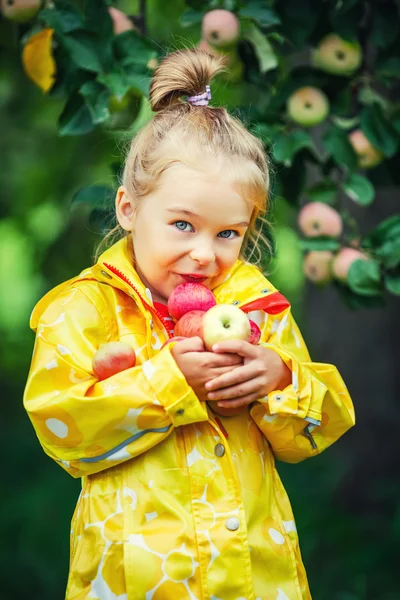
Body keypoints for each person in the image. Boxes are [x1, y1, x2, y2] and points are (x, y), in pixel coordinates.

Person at [24, 49, 355, 600]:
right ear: (129, 208)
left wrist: (278, 379)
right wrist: (170, 382)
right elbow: (62, 432)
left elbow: (318, 431)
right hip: (140, 581)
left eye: (228, 233)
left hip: (255, 577)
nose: (204, 253)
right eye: (182, 225)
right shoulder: (86, 309)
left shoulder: (254, 307)